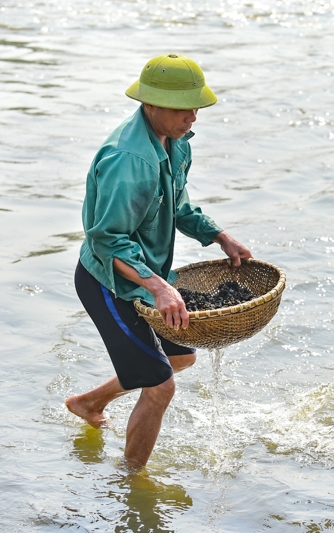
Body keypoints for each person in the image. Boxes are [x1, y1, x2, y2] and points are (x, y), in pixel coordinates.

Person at [65, 54, 252, 468]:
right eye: (184, 108)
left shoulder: (175, 143)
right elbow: (108, 239)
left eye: (196, 107)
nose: (193, 118)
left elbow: (178, 205)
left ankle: (89, 403)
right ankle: (132, 486)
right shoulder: (130, 161)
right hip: (109, 283)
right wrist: (159, 286)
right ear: (151, 104)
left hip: (147, 277)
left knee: (182, 356)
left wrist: (219, 236)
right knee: (161, 386)